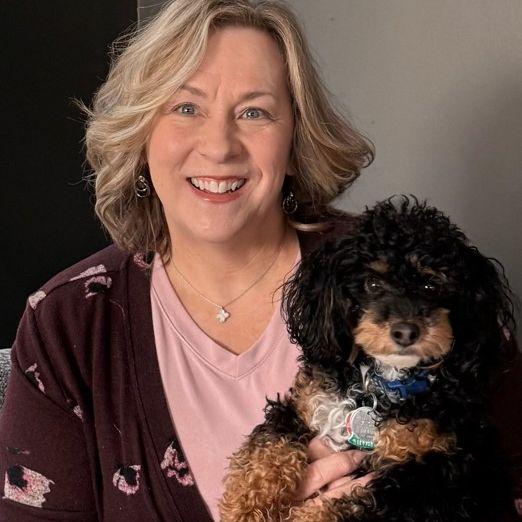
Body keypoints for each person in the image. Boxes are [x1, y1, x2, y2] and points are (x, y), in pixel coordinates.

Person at [0, 1, 520, 521]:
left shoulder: (414, 272)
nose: (218, 146)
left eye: (254, 112)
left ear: (295, 138)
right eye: (185, 108)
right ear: (140, 134)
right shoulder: (68, 323)